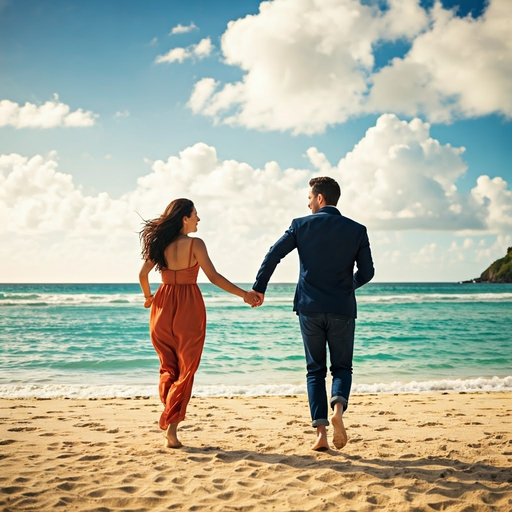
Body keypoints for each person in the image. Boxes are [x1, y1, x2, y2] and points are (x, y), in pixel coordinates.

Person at [251, 177, 374, 451]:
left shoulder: (300, 225)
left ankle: (321, 435)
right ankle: (338, 412)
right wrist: (346, 287)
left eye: (310, 197)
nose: (308, 203)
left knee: (314, 371)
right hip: (342, 309)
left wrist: (259, 288)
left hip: (309, 308)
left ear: (320, 198)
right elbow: (367, 273)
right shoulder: (357, 229)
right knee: (342, 368)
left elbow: (273, 255)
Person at [139, 198, 260, 448]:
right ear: (184, 218)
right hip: (188, 308)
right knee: (187, 369)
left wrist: (149, 298)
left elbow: (142, 275)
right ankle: (171, 429)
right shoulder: (196, 244)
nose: (198, 219)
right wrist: (244, 295)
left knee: (168, 367)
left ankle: (169, 413)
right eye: (195, 214)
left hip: (161, 307)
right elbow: (213, 277)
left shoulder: (159, 244)